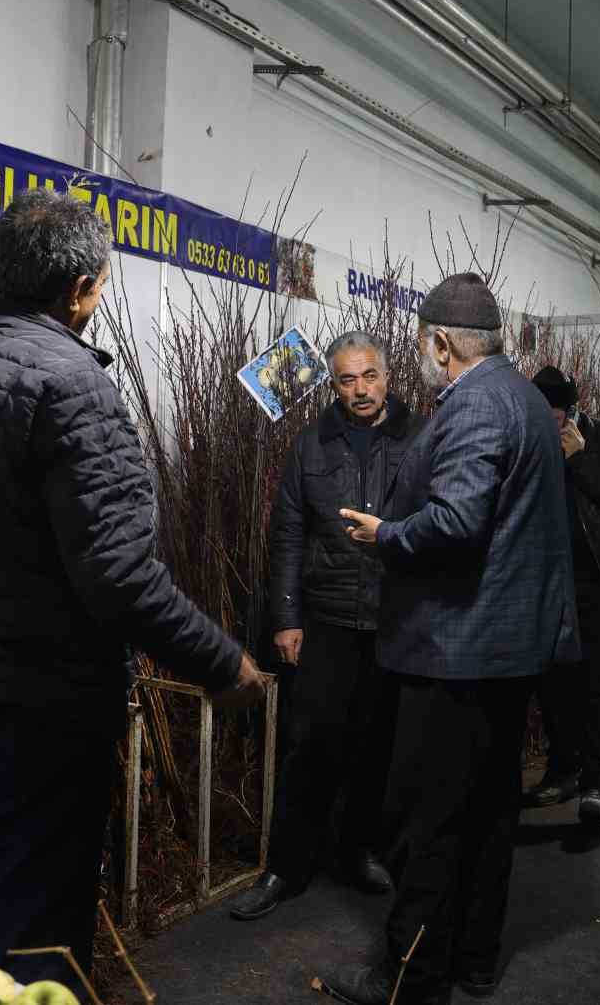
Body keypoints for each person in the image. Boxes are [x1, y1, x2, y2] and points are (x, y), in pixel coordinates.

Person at [0, 190, 264, 996]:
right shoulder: (72, 385)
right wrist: (219, 662)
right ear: (82, 289)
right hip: (37, 716)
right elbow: (119, 572)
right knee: (37, 930)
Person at [320, 273, 578, 1005]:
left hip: (456, 652)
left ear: (440, 342)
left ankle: (409, 977)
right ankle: (474, 958)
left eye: (419, 344)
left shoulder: (475, 404)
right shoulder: (524, 398)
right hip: (505, 650)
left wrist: (386, 534)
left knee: (429, 820)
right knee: (489, 811)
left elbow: (458, 522)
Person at [231, 331, 420, 921]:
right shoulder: (311, 442)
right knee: (310, 745)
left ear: (387, 376)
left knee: (377, 745)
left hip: (396, 618)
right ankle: (285, 868)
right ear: (333, 384)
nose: (360, 389)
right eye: (346, 379)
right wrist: (287, 618)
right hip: (327, 617)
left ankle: (358, 852)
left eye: (369, 375)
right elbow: (288, 533)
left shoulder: (422, 438)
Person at [522, 366, 600, 828]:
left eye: (556, 417)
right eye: (542, 417)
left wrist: (579, 459)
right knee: (553, 685)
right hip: (548, 583)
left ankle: (596, 782)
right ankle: (562, 771)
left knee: (598, 686)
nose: (550, 424)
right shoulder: (530, 441)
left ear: (572, 411)